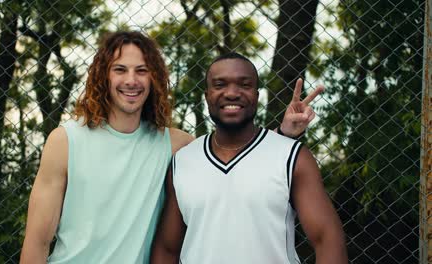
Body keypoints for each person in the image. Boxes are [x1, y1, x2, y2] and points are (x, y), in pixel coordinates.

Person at [20, 31, 320, 263]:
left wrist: (284, 135)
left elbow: (239, 163)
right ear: (103, 76)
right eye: (120, 69)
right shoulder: (66, 140)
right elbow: (37, 241)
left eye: (141, 70)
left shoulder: (176, 145)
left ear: (154, 79)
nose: (131, 80)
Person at [151, 53, 348, 264]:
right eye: (220, 84)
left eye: (244, 85)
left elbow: (327, 238)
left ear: (256, 94)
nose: (232, 93)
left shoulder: (292, 156)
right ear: (207, 95)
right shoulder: (183, 161)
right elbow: (167, 248)